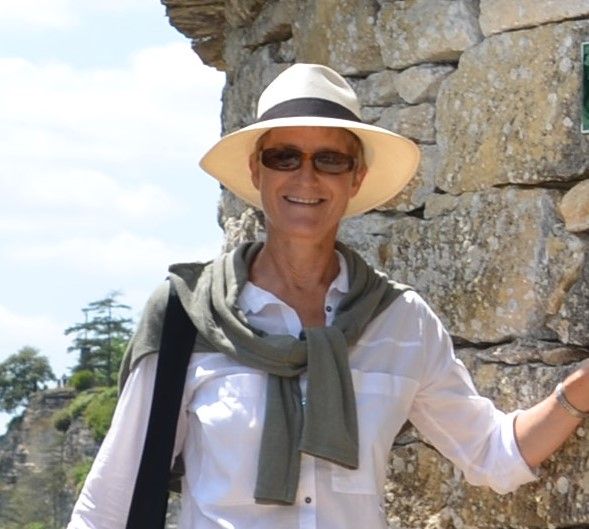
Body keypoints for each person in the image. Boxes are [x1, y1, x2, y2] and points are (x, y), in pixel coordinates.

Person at [68, 63, 589, 529]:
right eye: (284, 157)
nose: (306, 177)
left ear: (356, 176)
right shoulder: (188, 315)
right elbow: (110, 505)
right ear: (257, 170)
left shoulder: (401, 321)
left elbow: (491, 453)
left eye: (330, 160)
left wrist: (579, 389)